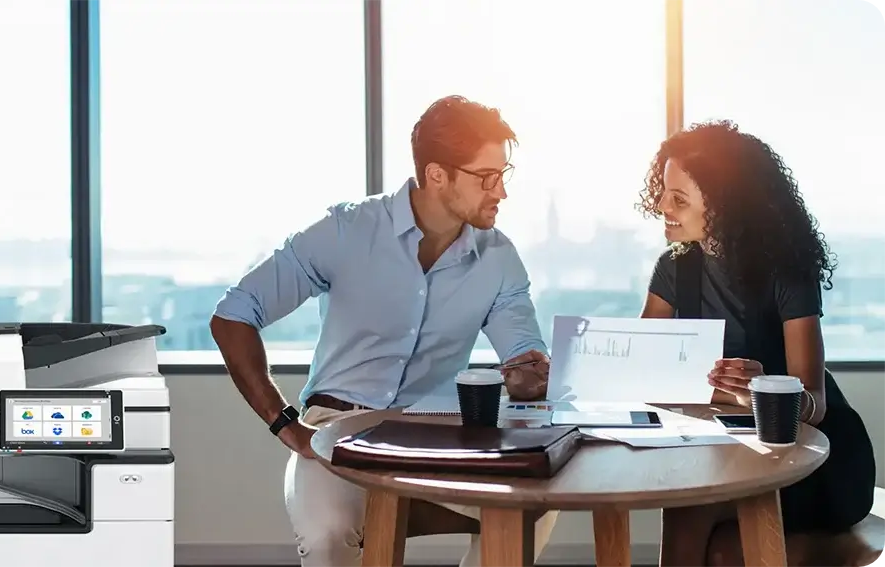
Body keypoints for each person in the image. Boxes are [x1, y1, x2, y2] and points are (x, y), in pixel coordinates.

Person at [210, 95, 558, 567]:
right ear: (438, 174)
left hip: (441, 438)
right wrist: (283, 422)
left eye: (504, 175)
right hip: (337, 431)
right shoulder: (345, 231)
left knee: (533, 508)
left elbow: (523, 352)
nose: (500, 192)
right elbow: (234, 315)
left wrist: (529, 374)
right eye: (487, 177)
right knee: (328, 531)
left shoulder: (499, 258)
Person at [636, 120, 878, 567]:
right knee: (722, 549)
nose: (662, 207)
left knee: (693, 513)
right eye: (663, 192)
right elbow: (641, 365)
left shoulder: (786, 272)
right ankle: (840, 554)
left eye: (679, 198)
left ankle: (844, 549)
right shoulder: (673, 268)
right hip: (729, 450)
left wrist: (767, 392)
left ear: (725, 205)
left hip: (814, 457)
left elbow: (816, 402)